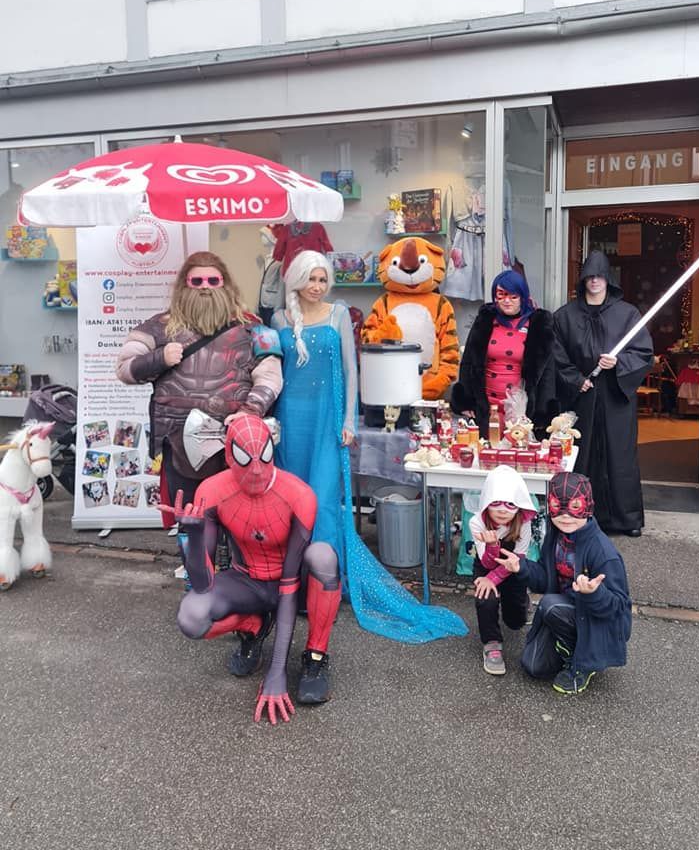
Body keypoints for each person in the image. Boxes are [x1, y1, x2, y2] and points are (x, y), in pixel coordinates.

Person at [262, 251, 467, 674]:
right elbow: (271, 372)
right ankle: (295, 589)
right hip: (290, 420)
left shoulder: (338, 315)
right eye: (312, 279)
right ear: (297, 280)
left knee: (320, 500)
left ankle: (325, 587)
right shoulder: (280, 320)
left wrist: (349, 421)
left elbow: (352, 370)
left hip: (326, 423)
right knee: (290, 505)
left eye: (323, 278)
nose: (319, 285)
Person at [166, 414, 337, 724]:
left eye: (265, 456)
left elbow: (287, 587)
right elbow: (202, 584)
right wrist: (190, 537)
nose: (256, 469)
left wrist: (277, 673)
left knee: (324, 557)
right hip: (247, 580)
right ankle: (252, 626)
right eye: (245, 459)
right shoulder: (212, 490)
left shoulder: (298, 495)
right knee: (191, 617)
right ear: (229, 456)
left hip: (292, 584)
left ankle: (315, 655)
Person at [116, 251, 283, 526]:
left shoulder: (253, 328)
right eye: (197, 281)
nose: (205, 286)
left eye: (212, 280)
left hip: (235, 436)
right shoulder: (158, 327)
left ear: (225, 285)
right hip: (179, 437)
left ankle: (232, 564)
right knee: (190, 513)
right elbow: (125, 369)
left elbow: (271, 376)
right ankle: (194, 564)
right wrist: (158, 358)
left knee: (238, 511)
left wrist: (251, 410)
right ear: (184, 286)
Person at [494, 472, 632, 696]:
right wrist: (522, 567)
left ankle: (585, 662)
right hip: (565, 612)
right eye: (558, 506)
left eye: (575, 507)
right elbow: (544, 579)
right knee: (534, 666)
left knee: (550, 604)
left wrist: (595, 593)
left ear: (587, 506)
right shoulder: (556, 535)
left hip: (596, 622)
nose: (566, 516)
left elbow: (618, 607)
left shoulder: (603, 552)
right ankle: (570, 646)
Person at [553, 250, 653, 537]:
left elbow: (644, 352)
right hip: (582, 398)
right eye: (589, 276)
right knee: (580, 456)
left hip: (615, 398)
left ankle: (626, 520)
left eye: (599, 276)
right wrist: (575, 380)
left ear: (608, 279)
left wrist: (619, 362)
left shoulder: (627, 314)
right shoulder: (565, 316)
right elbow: (556, 355)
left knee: (619, 456)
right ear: (583, 279)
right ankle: (576, 514)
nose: (594, 281)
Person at [451, 270, 556, 438]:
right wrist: (466, 400)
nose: (506, 301)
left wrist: (543, 413)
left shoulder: (538, 324)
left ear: (522, 296)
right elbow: (469, 361)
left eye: (513, 296)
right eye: (501, 295)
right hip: (487, 406)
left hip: (520, 410)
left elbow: (547, 373)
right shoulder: (485, 320)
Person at [469, 465, 538, 676]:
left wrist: (494, 578)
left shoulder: (523, 525)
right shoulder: (477, 522)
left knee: (515, 622)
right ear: (486, 502)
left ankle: (521, 602)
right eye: (495, 502)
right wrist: (491, 547)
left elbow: (518, 559)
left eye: (510, 504)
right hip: (487, 565)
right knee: (486, 597)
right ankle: (491, 644)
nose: (502, 510)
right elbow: (488, 564)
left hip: (513, 568)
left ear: (520, 506)